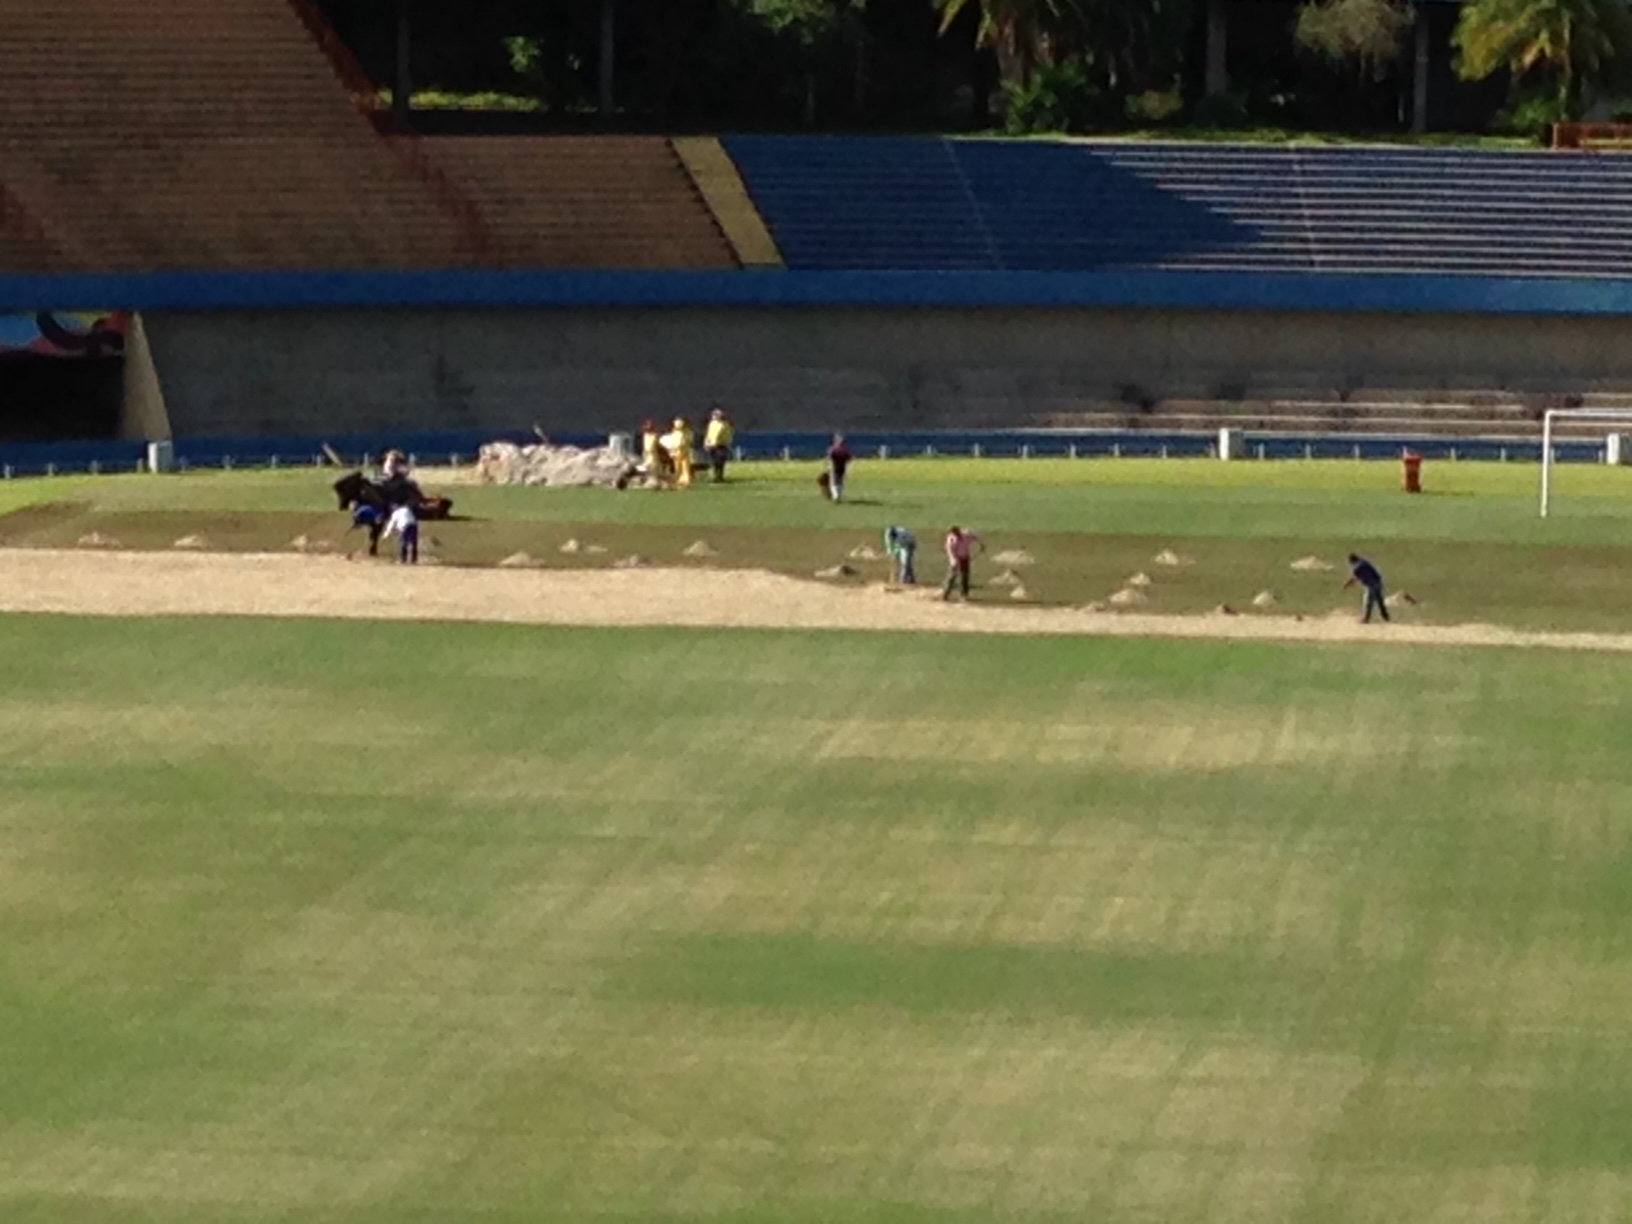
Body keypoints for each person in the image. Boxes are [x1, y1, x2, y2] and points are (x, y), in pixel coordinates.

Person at [1343, 553, 1390, 623]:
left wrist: (1346, 585)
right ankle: (1385, 616)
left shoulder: (1356, 567)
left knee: (1368, 601)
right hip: (1378, 582)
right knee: (1380, 600)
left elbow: (1354, 578)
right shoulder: (1364, 562)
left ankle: (1366, 619)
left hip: (1370, 585)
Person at [941, 526, 982, 601]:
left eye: (957, 532)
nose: (956, 534)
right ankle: (945, 593)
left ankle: (964, 595)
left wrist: (980, 544)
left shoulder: (966, 535)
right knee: (952, 576)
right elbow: (949, 550)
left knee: (964, 576)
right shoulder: (951, 539)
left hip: (965, 558)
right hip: (956, 558)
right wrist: (953, 559)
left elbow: (974, 537)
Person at [704, 407, 734, 483]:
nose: (714, 416)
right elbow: (708, 434)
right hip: (711, 446)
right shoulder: (711, 424)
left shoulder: (725, 424)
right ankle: (714, 477)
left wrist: (727, 442)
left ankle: (720, 477)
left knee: (720, 462)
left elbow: (728, 435)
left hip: (721, 446)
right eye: (714, 415)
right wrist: (706, 443)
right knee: (713, 462)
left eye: (717, 415)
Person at [670, 416, 696, 488]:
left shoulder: (687, 432)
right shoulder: (674, 432)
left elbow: (689, 441)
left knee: (685, 467)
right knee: (677, 468)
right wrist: (672, 451)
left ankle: (686, 482)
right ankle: (678, 481)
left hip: (684, 451)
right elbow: (673, 442)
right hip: (676, 452)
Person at [826, 434, 852, 502]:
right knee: (840, 482)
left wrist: (830, 467)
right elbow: (849, 460)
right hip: (842, 467)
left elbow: (830, 459)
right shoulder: (846, 450)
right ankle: (838, 495)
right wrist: (848, 469)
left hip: (835, 467)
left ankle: (835, 495)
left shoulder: (832, 449)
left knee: (833, 482)